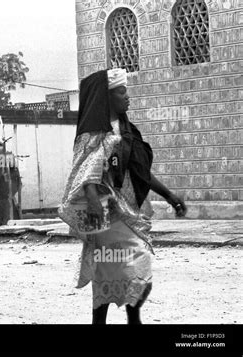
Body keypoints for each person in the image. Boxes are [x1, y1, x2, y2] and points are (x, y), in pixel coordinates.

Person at [59, 69, 187, 324]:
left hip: (130, 212)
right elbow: (85, 173)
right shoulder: (92, 135)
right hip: (106, 214)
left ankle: (126, 319)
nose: (127, 96)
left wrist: (170, 195)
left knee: (117, 267)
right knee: (129, 263)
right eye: (121, 91)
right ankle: (124, 320)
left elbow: (140, 173)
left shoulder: (127, 130)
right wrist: (94, 201)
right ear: (107, 98)